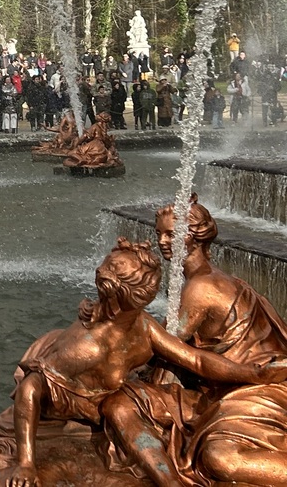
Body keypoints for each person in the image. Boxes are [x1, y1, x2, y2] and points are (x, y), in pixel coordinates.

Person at [7, 237, 287, 487]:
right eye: (146, 286)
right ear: (125, 292)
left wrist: (252, 373)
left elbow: (197, 361)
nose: (154, 289)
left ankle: (170, 479)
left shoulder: (144, 325)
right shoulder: (89, 348)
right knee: (118, 407)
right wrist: (26, 462)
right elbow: (30, 388)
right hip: (71, 401)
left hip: (112, 399)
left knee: (121, 406)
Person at [102, 197, 287, 486]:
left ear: (194, 236)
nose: (162, 241)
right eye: (159, 234)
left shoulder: (202, 287)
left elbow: (158, 347)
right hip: (217, 386)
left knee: (220, 459)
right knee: (121, 404)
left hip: (255, 389)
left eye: (171, 234)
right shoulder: (203, 280)